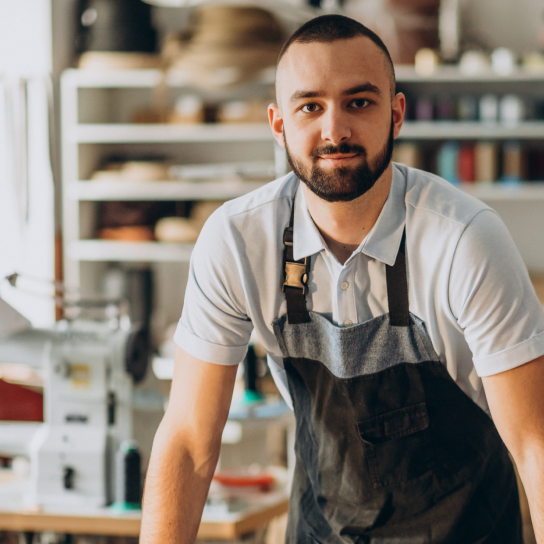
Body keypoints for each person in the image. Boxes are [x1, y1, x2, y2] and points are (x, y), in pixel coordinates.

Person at [140, 15, 544, 544]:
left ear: (396, 115)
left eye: (359, 102)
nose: (334, 130)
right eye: (310, 106)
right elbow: (190, 442)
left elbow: (535, 443)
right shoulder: (237, 241)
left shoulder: (464, 240)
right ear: (279, 123)